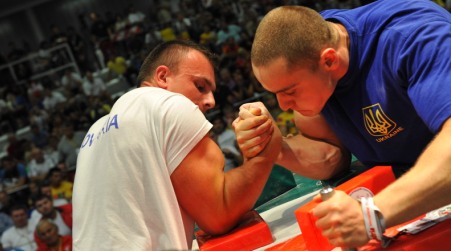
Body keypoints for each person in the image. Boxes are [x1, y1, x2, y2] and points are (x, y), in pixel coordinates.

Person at [234, 1, 451, 249]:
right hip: (410, 195)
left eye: (289, 91)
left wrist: (372, 214)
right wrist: (275, 146)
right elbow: (332, 157)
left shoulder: (414, 37)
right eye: (275, 94)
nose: (283, 106)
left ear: (329, 61)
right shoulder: (312, 48)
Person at [72, 40, 281, 250]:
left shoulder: (93, 134)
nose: (211, 101)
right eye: (200, 86)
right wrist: (266, 151)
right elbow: (218, 215)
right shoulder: (170, 105)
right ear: (163, 77)